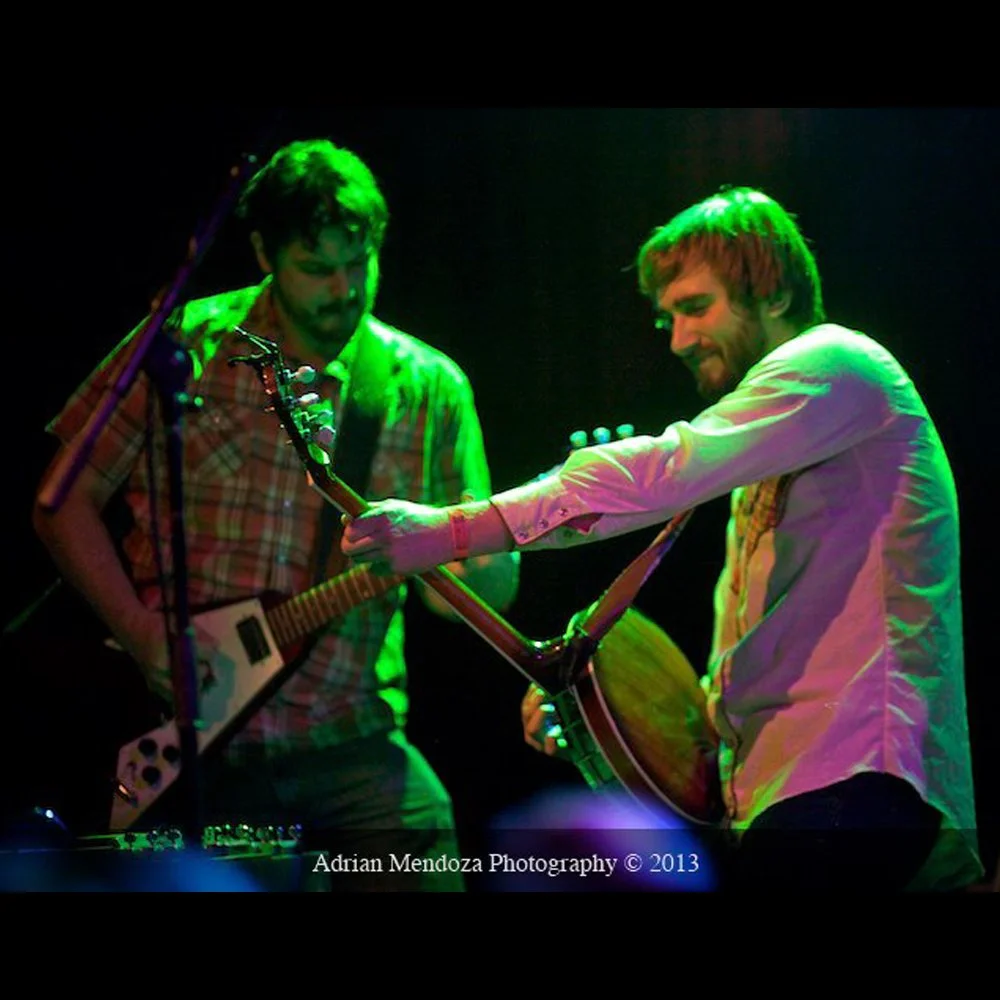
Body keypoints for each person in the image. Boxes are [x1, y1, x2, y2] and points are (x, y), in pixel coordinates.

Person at [340, 185, 985, 893]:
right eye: (668, 317)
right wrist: (600, 713)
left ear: (774, 293)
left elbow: (661, 469)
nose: (678, 339)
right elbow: (750, 676)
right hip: (800, 799)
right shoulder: (778, 447)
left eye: (696, 307)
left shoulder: (837, 365)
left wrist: (449, 529)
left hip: (855, 786)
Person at [30, 137, 519, 892]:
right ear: (264, 253)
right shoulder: (183, 345)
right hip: (187, 746)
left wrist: (502, 543)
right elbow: (61, 503)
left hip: (352, 743)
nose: (343, 289)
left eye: (359, 263)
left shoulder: (429, 386)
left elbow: (464, 599)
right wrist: (142, 635)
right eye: (316, 268)